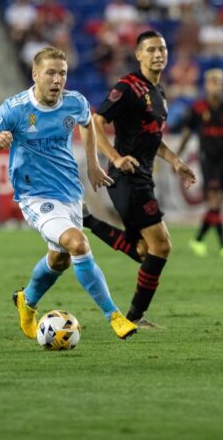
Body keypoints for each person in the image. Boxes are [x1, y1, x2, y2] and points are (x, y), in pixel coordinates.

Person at [0, 46, 138, 341]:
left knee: (60, 260)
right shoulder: (16, 108)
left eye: (63, 74)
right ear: (35, 75)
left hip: (69, 192)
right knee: (78, 244)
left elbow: (87, 124)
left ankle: (27, 301)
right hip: (34, 196)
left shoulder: (74, 102)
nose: (58, 80)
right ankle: (115, 316)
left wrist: (94, 164)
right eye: (51, 73)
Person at [83, 30, 196, 327]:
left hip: (143, 175)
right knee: (161, 246)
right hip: (127, 175)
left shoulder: (160, 94)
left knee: (144, 250)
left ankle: (88, 221)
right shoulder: (128, 86)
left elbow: (153, 138)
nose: (158, 54)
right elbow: (97, 121)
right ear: (138, 55)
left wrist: (176, 161)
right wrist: (115, 157)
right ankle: (135, 316)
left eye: (162, 49)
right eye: (151, 50)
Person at [176, 68, 223, 257]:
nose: (215, 87)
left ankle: (197, 241)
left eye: (219, 83)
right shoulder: (198, 108)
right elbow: (187, 132)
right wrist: (177, 156)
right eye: (212, 83)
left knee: (218, 203)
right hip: (207, 159)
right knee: (214, 201)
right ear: (206, 86)